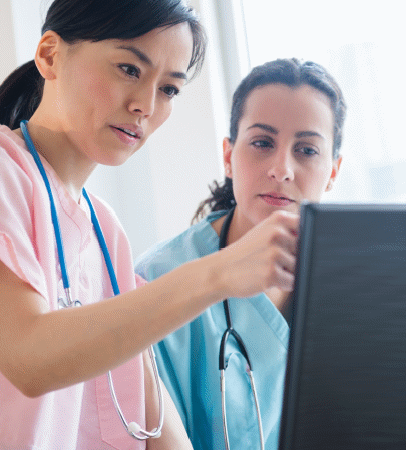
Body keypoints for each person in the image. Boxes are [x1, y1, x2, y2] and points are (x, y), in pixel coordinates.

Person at [0, 0, 302, 449]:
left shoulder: (105, 231)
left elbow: (157, 421)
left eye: (169, 89)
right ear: (49, 55)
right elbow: (29, 358)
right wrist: (218, 273)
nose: (145, 105)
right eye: (128, 68)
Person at [135, 58, 346, 450]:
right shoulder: (155, 279)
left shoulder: (357, 285)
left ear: (333, 171)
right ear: (229, 157)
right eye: (262, 143)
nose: (282, 169)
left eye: (307, 150)